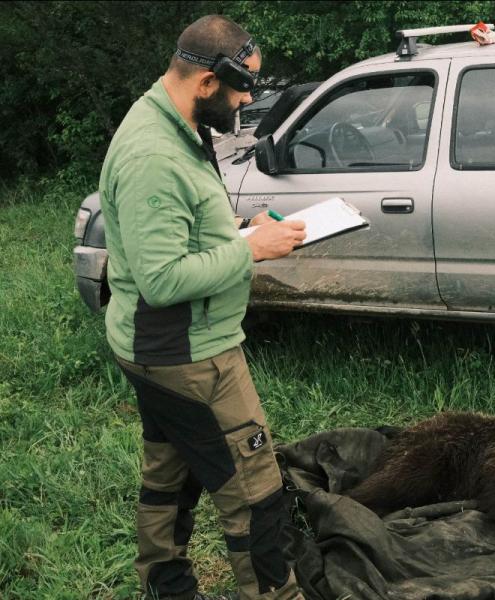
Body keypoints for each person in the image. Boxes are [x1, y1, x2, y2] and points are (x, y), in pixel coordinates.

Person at [99, 15, 307, 600]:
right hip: (189, 354)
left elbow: (185, 226)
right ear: (208, 82)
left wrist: (243, 227)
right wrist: (253, 252)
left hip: (158, 348)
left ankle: (164, 587)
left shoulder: (172, 120)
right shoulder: (153, 157)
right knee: (255, 491)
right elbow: (161, 278)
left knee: (170, 473)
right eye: (242, 88)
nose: (247, 100)